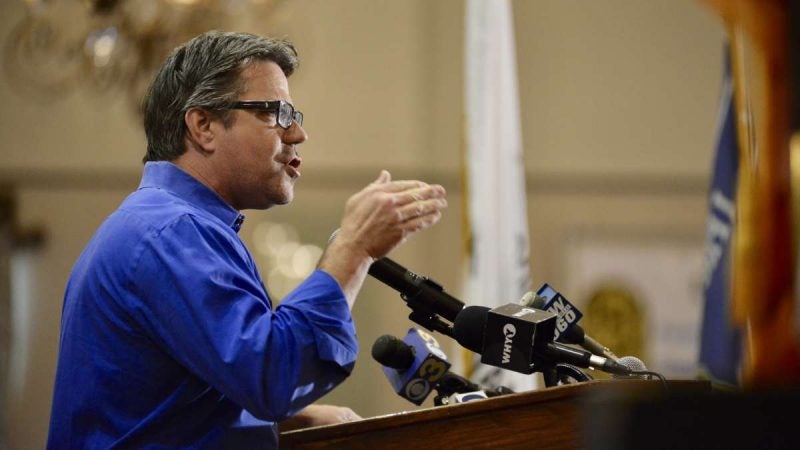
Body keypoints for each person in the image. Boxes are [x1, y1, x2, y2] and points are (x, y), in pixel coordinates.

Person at [46, 30, 447, 449]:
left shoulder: (161, 224)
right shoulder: (171, 232)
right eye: (276, 113)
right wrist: (353, 249)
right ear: (203, 126)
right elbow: (274, 375)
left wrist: (280, 423)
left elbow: (174, 404)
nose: (297, 134)